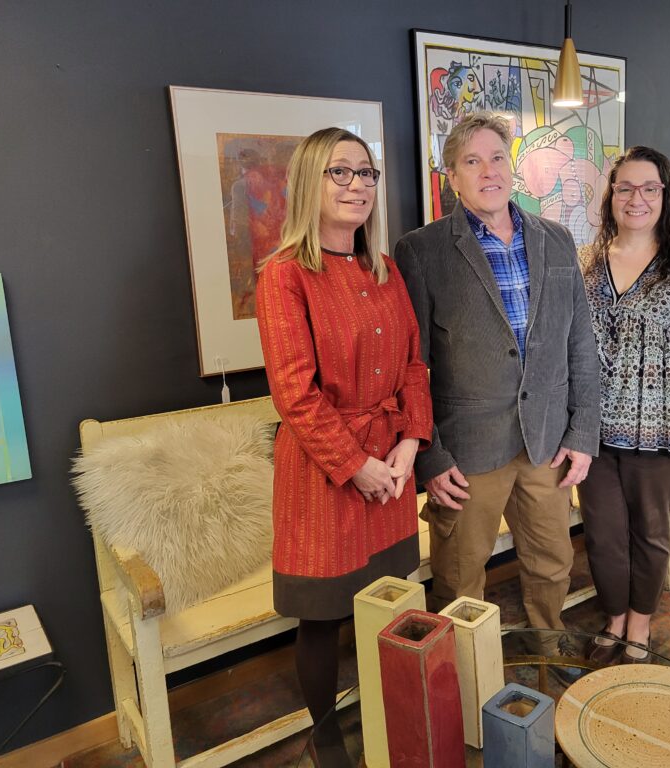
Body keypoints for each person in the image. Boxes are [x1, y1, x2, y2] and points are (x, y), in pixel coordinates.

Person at [395, 113, 600, 675]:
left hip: (547, 443)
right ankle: (465, 677)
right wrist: (431, 456)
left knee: (553, 562)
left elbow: (579, 342)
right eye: (472, 161)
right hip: (466, 454)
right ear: (452, 178)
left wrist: (583, 433)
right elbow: (411, 367)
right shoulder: (421, 250)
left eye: (497, 158)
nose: (489, 172)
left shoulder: (556, 239)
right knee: (461, 575)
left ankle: (548, 652)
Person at [255, 128, 431, 765]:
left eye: (367, 173)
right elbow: (295, 395)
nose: (358, 185)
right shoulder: (283, 278)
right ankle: (326, 733)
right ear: (311, 182)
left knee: (386, 598)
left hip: (392, 463)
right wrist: (356, 467)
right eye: (341, 173)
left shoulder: (382, 269)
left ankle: (389, 712)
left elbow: (414, 365)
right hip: (324, 473)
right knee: (323, 615)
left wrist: (411, 444)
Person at [577, 145, 670, 664]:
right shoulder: (588, 263)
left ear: (665, 195)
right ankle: (613, 615)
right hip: (593, 430)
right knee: (602, 535)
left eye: (649, 188)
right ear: (611, 195)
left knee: (648, 532)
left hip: (662, 426)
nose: (636, 198)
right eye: (625, 188)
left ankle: (638, 625)